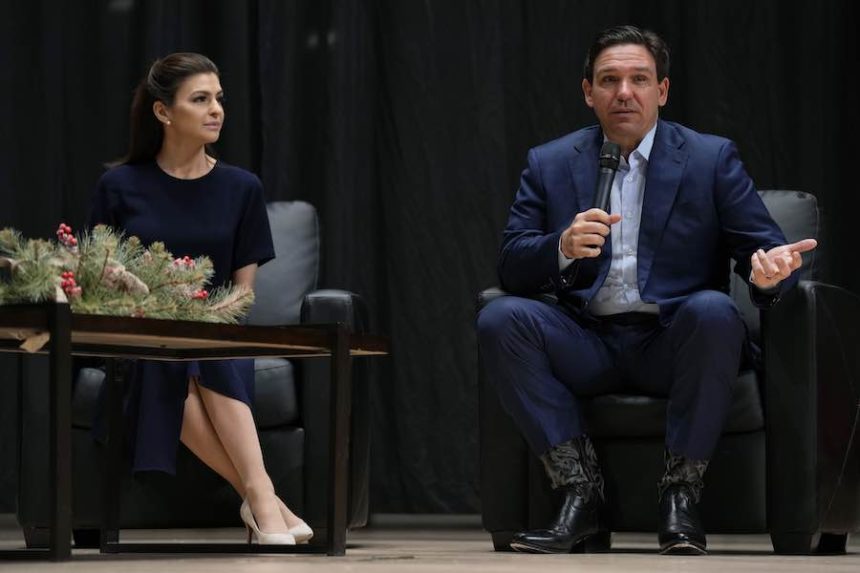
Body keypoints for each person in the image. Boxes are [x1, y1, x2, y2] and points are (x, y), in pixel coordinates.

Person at [476, 25, 817, 556]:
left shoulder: (709, 158)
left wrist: (768, 274)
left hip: (670, 340)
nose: (624, 92)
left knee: (713, 310)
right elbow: (511, 265)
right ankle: (579, 492)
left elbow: (766, 251)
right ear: (588, 92)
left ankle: (681, 494)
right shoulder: (550, 162)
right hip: (584, 340)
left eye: (639, 79)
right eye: (609, 80)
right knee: (499, 318)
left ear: (662, 90)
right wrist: (562, 247)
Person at [88, 52, 311, 545]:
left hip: (216, 332)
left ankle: (260, 502)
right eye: (201, 99)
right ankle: (264, 498)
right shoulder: (118, 186)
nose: (216, 110)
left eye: (219, 99)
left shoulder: (241, 188)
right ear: (164, 112)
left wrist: (204, 318)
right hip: (141, 334)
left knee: (202, 350)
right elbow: (98, 279)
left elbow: (244, 293)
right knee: (166, 356)